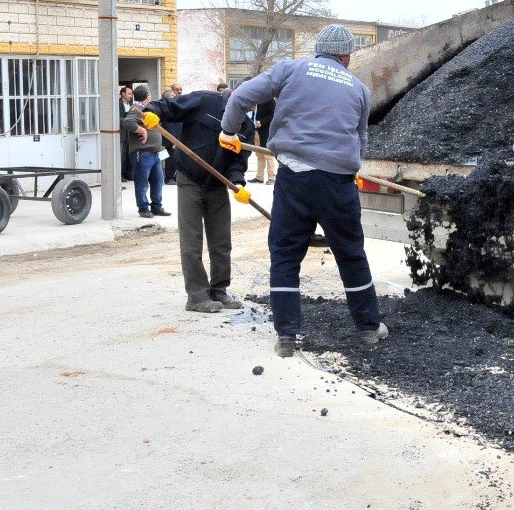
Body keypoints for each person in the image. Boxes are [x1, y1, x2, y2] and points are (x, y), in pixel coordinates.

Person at [218, 24, 388, 357]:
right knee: (351, 254)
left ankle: (286, 337)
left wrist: (228, 130)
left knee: (284, 255)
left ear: (319, 51)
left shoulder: (290, 69)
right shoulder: (359, 89)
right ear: (345, 56)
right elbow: (361, 140)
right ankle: (368, 329)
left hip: (293, 179)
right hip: (338, 183)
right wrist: (349, 168)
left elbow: (240, 98)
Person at [139, 90, 254, 312]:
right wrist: (152, 112)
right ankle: (197, 296)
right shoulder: (205, 101)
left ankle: (219, 290)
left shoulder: (245, 126)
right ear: (234, 97)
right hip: (190, 179)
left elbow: (238, 160)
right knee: (192, 241)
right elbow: (170, 107)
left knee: (221, 241)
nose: (246, 111)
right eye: (244, 106)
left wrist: (237, 183)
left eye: (249, 108)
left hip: (218, 184)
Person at [122, 85, 170, 219]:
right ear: (147, 96)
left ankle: (156, 206)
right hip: (142, 153)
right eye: (149, 94)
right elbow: (127, 123)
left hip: (154, 153)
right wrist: (141, 130)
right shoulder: (135, 110)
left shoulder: (148, 109)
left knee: (158, 180)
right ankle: (143, 208)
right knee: (142, 182)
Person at [251, 98, 277, 185]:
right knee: (259, 155)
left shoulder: (269, 100)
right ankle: (259, 177)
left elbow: (274, 114)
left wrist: (262, 122)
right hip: (256, 130)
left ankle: (271, 177)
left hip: (265, 131)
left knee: (267, 154)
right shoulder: (255, 100)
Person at [160, 88, 182, 185]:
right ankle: (168, 178)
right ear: (168, 98)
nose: (175, 97)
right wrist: (173, 141)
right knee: (171, 160)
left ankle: (174, 177)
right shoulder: (167, 109)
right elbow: (169, 126)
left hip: (176, 138)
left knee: (176, 159)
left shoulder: (172, 107)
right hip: (171, 140)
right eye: (173, 95)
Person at [118, 86, 133, 181]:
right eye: (129, 93)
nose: (131, 96)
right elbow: (118, 118)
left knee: (127, 155)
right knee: (121, 155)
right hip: (122, 133)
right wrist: (129, 120)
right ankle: (119, 175)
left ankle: (127, 174)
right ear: (123, 94)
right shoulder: (119, 104)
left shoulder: (130, 104)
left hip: (128, 133)